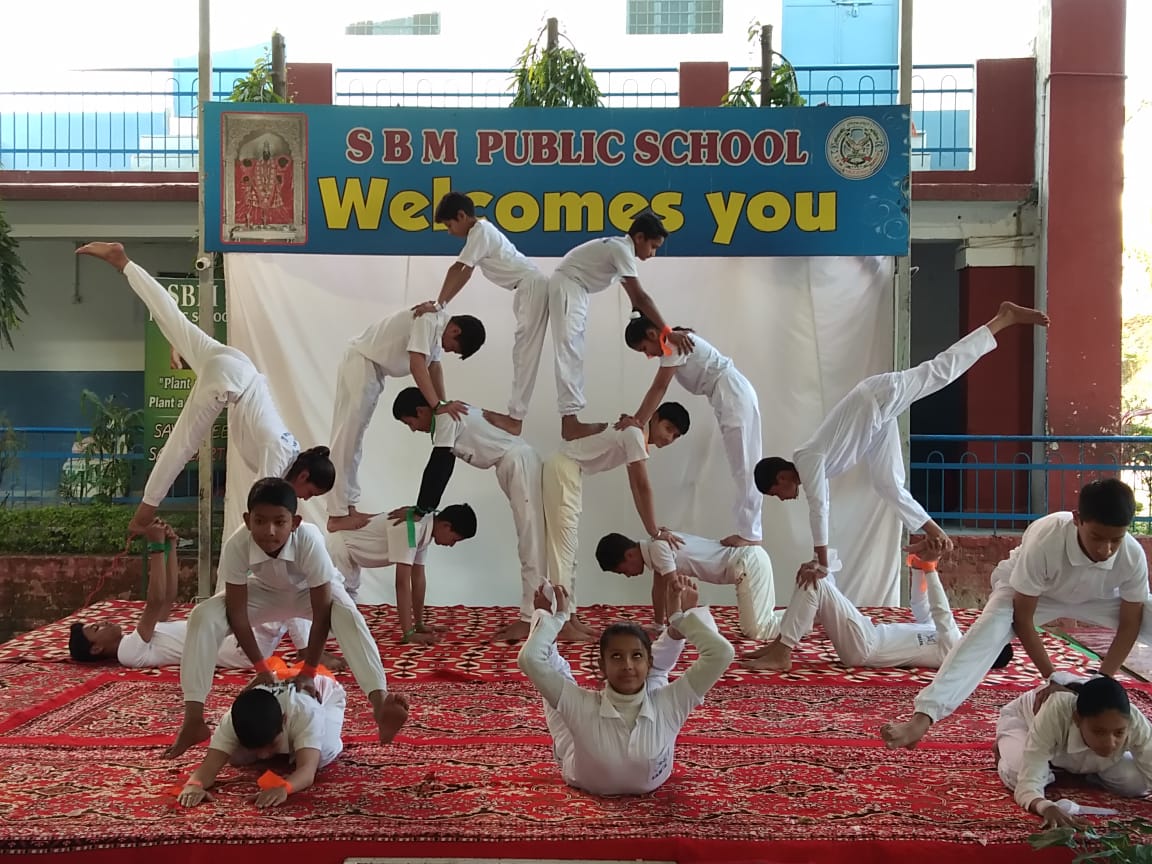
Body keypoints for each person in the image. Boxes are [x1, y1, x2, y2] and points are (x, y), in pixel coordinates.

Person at [755, 301, 1051, 572]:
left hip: (878, 398)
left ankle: (1003, 318)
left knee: (941, 371)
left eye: (775, 493)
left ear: (781, 477)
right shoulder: (810, 463)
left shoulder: (806, 460)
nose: (781, 498)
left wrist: (821, 561)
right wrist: (820, 559)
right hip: (875, 420)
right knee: (887, 484)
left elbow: (819, 507)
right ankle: (933, 530)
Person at [75, 242, 336, 538]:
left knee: (173, 320)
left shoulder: (287, 451)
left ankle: (123, 262)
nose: (304, 499)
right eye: (310, 492)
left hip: (238, 366)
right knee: (181, 446)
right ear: (304, 475)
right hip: (231, 380)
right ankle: (141, 518)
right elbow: (261, 506)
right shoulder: (278, 455)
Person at [881, 478, 1152, 750]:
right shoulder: (1047, 540)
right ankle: (923, 717)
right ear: (1077, 519)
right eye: (1097, 538)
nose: (1106, 550)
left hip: (1097, 598)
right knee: (988, 631)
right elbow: (1023, 619)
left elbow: (1131, 623)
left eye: (1115, 540)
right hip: (1033, 592)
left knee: (1148, 612)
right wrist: (1054, 678)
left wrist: (1102, 682)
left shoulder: (1131, 555)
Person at [164, 477, 408, 759]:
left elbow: (321, 613)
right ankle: (193, 717)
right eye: (260, 521)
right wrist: (262, 670)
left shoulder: (309, 539)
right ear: (247, 520)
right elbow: (238, 615)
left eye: (279, 522)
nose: (269, 531)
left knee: (348, 616)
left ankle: (379, 702)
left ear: (295, 522)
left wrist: (308, 672)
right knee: (203, 615)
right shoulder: (237, 545)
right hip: (266, 592)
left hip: (310, 593)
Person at [517, 576, 734, 796]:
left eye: (636, 656)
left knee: (655, 674)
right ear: (602, 666)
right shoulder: (581, 706)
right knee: (553, 684)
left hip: (652, 694)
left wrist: (680, 620)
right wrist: (556, 619)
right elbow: (530, 659)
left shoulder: (669, 703)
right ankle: (547, 636)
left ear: (648, 661)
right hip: (578, 760)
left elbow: (722, 653)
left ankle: (672, 637)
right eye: (617, 657)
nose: (627, 665)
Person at [69, 518, 344, 671]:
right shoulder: (128, 653)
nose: (103, 622)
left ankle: (317, 634)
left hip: (231, 638)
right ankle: (309, 651)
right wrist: (155, 547)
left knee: (282, 582)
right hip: (236, 647)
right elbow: (154, 601)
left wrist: (170, 546)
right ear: (96, 648)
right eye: (96, 628)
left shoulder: (138, 639)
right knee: (284, 584)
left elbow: (167, 598)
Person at [391, 386, 546, 641]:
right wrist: (424, 508)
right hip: (513, 462)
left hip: (517, 461)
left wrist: (420, 510)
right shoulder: (448, 417)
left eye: (410, 423)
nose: (413, 429)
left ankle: (531, 619)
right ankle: (537, 614)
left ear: (420, 411)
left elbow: (437, 468)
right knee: (531, 540)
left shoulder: (444, 417)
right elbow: (445, 465)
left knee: (531, 543)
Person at [326, 303, 485, 533]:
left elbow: (434, 367)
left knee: (355, 440)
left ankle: (347, 507)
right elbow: (417, 364)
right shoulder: (428, 320)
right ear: (455, 331)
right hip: (361, 362)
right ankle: (336, 514)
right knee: (346, 438)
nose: (449, 350)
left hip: (372, 370)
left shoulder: (436, 329)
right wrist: (437, 406)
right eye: (454, 348)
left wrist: (443, 408)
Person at [542, 402, 690, 642]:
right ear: (655, 417)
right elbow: (642, 486)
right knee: (563, 551)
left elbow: (636, 487)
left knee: (570, 552)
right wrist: (654, 531)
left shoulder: (635, 437)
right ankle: (563, 623)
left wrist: (653, 530)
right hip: (563, 469)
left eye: (675, 436)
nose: (669, 437)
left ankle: (570, 617)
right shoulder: (634, 434)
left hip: (570, 471)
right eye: (668, 428)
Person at [741, 544, 1014, 673]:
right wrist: (918, 566)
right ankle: (780, 643)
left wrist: (931, 569)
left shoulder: (954, 650)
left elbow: (943, 613)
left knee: (818, 581)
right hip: (865, 635)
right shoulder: (949, 640)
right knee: (819, 568)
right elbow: (922, 605)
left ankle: (783, 651)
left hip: (866, 646)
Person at [542, 213, 693, 442]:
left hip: (576, 289)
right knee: (569, 351)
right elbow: (641, 297)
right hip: (569, 286)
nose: (653, 253)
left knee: (575, 351)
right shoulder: (622, 249)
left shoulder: (619, 250)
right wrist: (668, 332)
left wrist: (645, 323)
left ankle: (571, 419)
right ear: (639, 237)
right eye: (653, 246)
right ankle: (569, 422)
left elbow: (636, 305)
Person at [411, 192, 551, 436]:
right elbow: (460, 269)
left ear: (462, 216)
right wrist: (439, 303)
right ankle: (515, 416)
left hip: (531, 285)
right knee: (522, 351)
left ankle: (516, 418)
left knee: (525, 352)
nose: (449, 232)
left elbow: (462, 270)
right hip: (524, 288)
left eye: (449, 225)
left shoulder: (481, 231)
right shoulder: (481, 233)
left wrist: (439, 304)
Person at [619, 315, 762, 547]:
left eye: (644, 349)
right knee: (742, 465)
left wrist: (637, 421)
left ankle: (751, 534)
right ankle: (750, 531)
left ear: (652, 334)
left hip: (732, 393)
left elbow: (659, 387)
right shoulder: (674, 342)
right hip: (729, 394)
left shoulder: (672, 343)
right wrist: (638, 421)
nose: (648, 355)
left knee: (744, 464)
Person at [176, 673, 353, 810]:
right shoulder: (232, 720)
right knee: (234, 757)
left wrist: (285, 787)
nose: (264, 756)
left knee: (322, 754)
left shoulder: (306, 712)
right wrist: (194, 785)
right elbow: (208, 767)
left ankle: (296, 745)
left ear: (284, 720)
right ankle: (288, 746)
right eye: (257, 749)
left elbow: (307, 771)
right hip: (274, 690)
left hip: (322, 694)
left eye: (270, 745)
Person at [995, 675, 1152, 829]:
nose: (1110, 743)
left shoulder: (1134, 720)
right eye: (1099, 732)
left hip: (1075, 747)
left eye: (1119, 733)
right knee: (1017, 773)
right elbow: (1028, 784)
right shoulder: (1054, 712)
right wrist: (1046, 807)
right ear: (1077, 719)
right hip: (1026, 724)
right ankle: (1005, 748)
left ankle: (1079, 770)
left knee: (1135, 783)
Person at [326, 503, 477, 643]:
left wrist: (419, 624)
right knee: (338, 602)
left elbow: (418, 579)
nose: (452, 545)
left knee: (346, 605)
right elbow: (402, 583)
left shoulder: (425, 526)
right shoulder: (412, 528)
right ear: (446, 526)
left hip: (350, 550)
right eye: (454, 539)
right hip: (341, 547)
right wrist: (408, 633)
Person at [594, 529, 778, 642]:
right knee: (761, 623)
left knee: (757, 631)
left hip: (747, 563)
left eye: (622, 571)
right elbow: (658, 590)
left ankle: (796, 621)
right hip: (747, 562)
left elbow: (674, 588)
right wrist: (658, 626)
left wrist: (672, 630)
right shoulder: (654, 547)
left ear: (629, 555)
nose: (627, 575)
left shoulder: (657, 548)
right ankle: (794, 616)